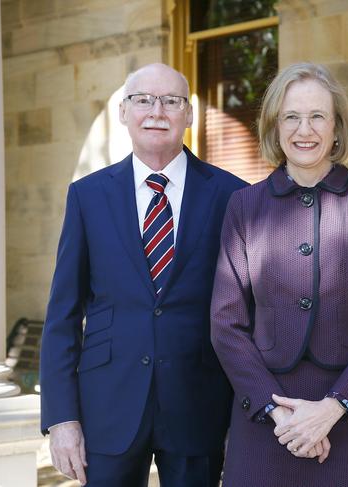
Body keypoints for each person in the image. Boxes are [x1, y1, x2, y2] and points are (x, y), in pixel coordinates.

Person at [39, 63, 247, 487]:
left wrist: (243, 413)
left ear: (188, 115)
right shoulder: (88, 196)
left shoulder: (232, 195)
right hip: (107, 407)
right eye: (144, 100)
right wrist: (61, 417)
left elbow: (247, 312)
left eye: (171, 101)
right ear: (123, 111)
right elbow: (63, 313)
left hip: (199, 405)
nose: (158, 111)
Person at [210, 62, 348, 486]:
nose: (305, 129)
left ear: (337, 127)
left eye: (317, 116)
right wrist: (279, 413)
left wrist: (332, 408)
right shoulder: (244, 208)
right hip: (265, 418)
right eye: (291, 117)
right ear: (275, 127)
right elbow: (226, 325)